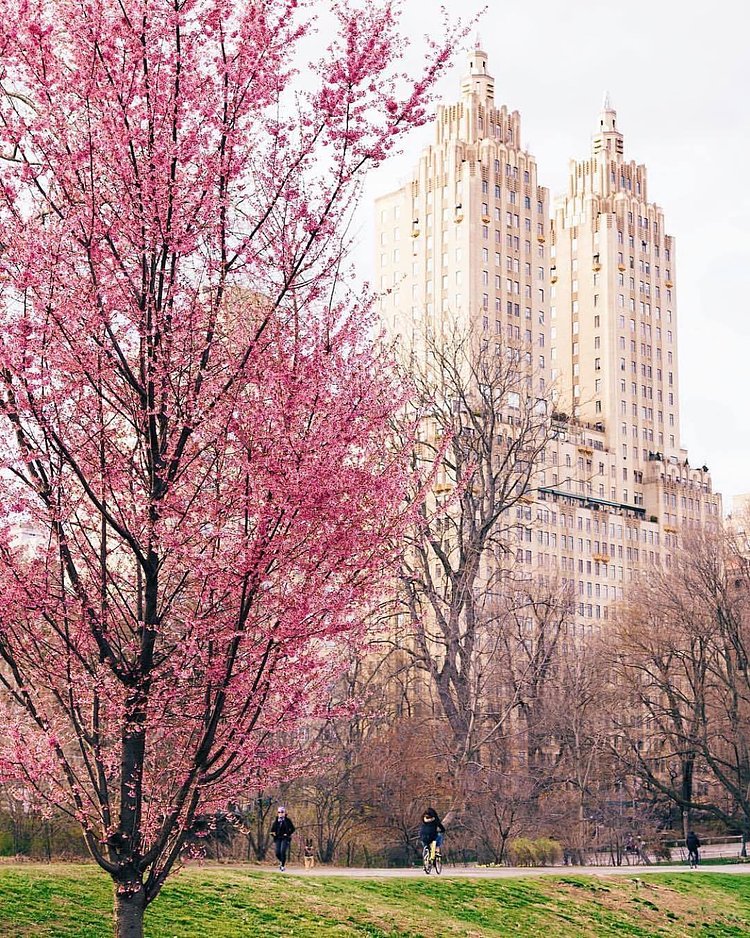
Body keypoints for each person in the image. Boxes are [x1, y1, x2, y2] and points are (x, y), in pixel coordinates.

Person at [270, 806, 295, 871]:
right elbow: (272, 830)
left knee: (282, 851)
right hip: (278, 838)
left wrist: (288, 834)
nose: (280, 813)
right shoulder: (276, 821)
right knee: (277, 853)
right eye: (279, 812)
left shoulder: (287, 820)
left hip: (285, 838)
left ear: (284, 813)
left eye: (282, 812)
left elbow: (292, 829)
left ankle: (283, 866)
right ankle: (282, 861)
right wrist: (273, 834)